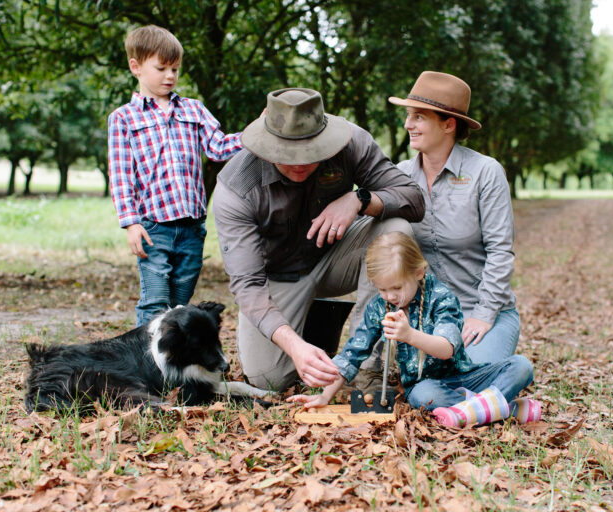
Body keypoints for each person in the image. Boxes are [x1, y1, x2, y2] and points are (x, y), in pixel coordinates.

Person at [212, 87, 425, 392]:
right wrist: (295, 347)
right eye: (287, 155)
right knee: (267, 378)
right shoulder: (236, 189)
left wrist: (359, 199)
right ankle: (310, 329)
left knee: (396, 227)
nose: (299, 164)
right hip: (279, 276)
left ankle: (367, 367)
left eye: (310, 153)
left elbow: (413, 199)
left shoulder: (351, 142)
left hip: (336, 255)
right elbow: (247, 286)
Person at [288, 232, 540, 427]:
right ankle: (504, 409)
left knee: (521, 366)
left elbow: (447, 349)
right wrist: (324, 396)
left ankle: (473, 409)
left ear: (418, 272)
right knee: (422, 396)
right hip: (427, 385)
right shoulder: (381, 306)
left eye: (396, 288)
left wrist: (409, 335)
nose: (389, 296)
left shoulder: (441, 297)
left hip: (462, 376)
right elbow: (353, 353)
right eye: (382, 289)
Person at [107, 25, 243, 326]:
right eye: (161, 68)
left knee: (179, 305)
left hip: (192, 228)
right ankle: (149, 367)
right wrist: (130, 223)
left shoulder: (193, 110)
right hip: (154, 228)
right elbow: (120, 175)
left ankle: (175, 365)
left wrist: (256, 136)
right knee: (155, 302)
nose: (170, 76)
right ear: (136, 67)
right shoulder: (123, 118)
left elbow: (218, 147)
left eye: (175, 69)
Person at [388, 71, 520, 365]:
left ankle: (512, 373)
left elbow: (501, 252)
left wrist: (483, 316)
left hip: (484, 313)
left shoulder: (486, 172)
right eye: (409, 115)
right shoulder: (400, 175)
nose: (408, 124)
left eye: (419, 117)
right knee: (425, 394)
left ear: (449, 124)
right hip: (431, 318)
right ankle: (496, 394)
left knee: (468, 376)